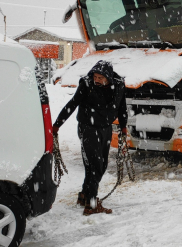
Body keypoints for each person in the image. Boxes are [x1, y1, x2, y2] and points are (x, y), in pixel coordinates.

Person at [52, 60, 127, 216]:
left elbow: (122, 106)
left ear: (108, 77)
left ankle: (85, 195)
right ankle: (91, 204)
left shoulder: (118, 84)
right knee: (94, 165)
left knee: (102, 164)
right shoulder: (86, 84)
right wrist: (57, 124)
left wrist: (124, 127)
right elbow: (72, 104)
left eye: (100, 77)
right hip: (88, 127)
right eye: (95, 76)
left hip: (105, 128)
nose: (96, 80)